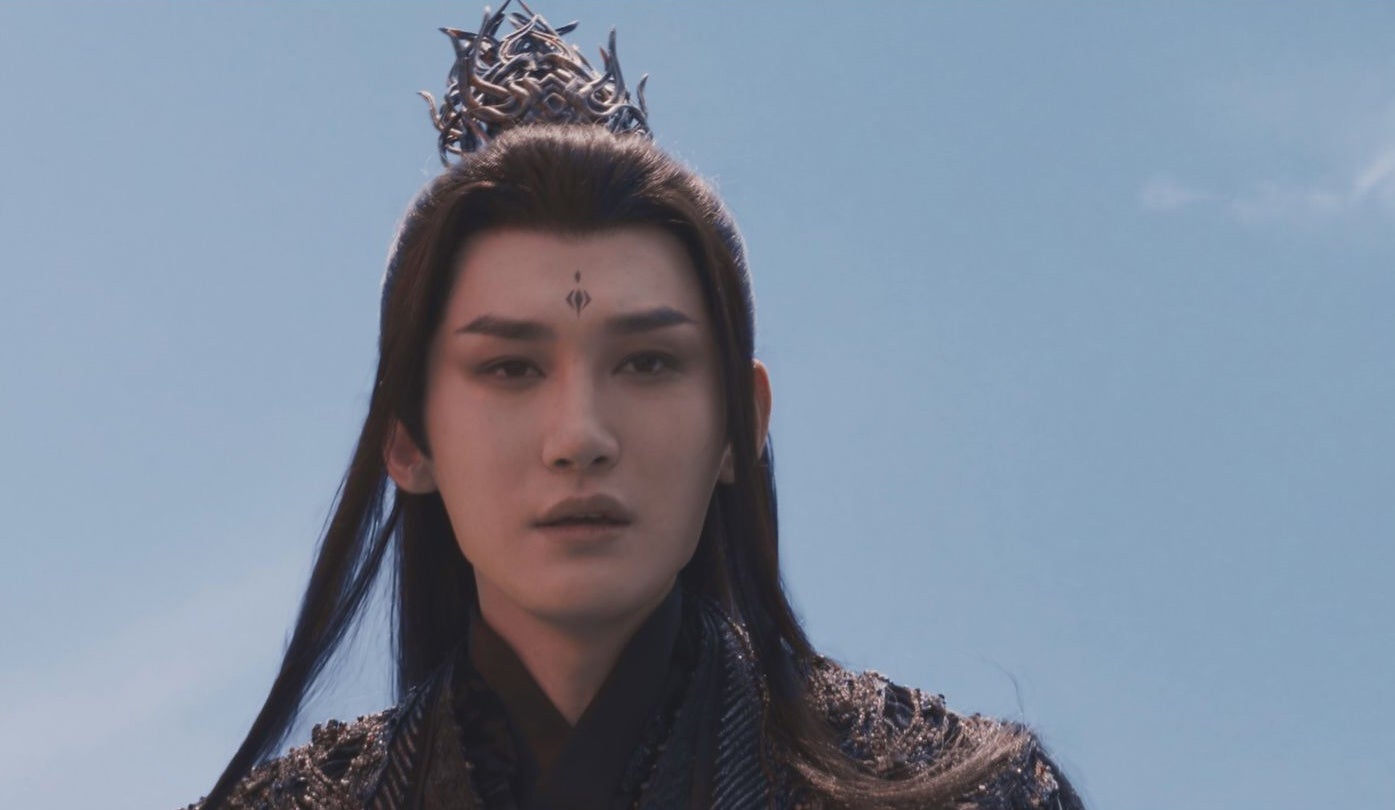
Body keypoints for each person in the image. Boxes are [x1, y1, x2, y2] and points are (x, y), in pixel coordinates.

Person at [186, 4, 1082, 808]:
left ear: (740, 423)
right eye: (509, 368)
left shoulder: (966, 791)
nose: (579, 437)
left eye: (648, 363)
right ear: (407, 439)